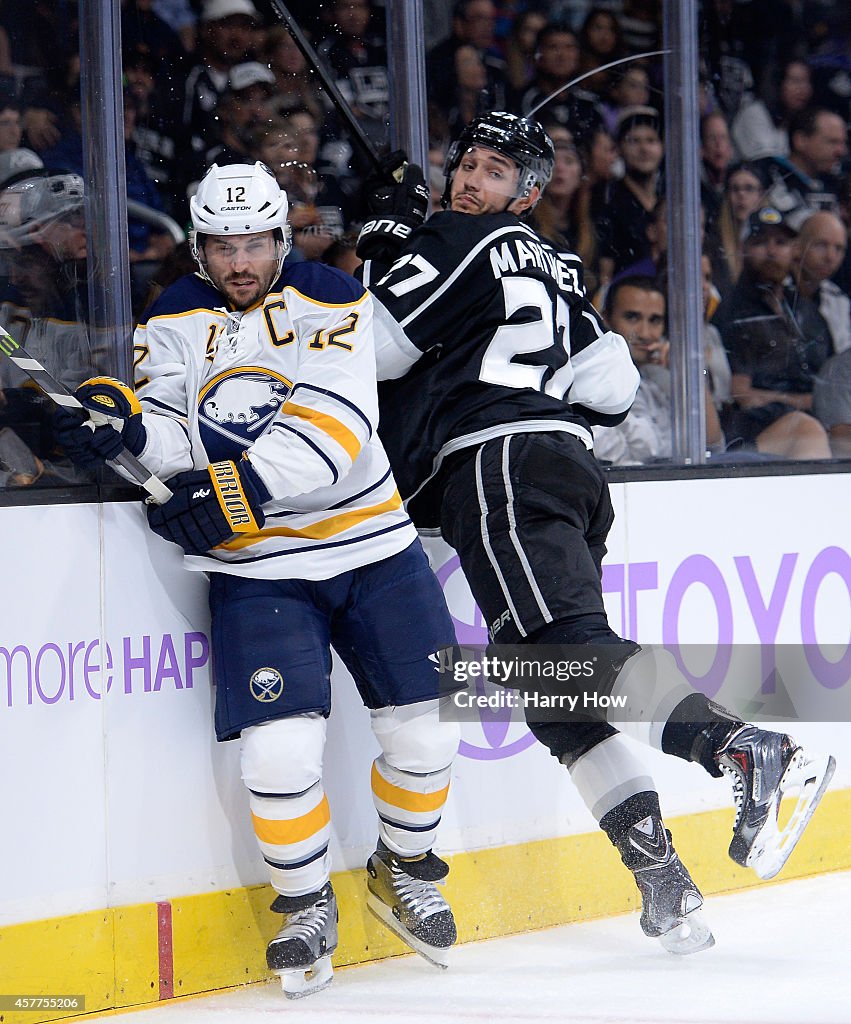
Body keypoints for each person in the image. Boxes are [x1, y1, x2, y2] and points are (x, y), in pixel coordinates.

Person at [357, 111, 835, 944]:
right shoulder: (558, 268)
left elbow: (371, 349)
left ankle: (742, 748)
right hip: (569, 470)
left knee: (566, 654)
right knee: (558, 685)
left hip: (497, 465)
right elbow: (610, 389)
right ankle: (663, 878)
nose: (471, 179)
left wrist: (387, 244)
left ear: (529, 192)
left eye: (495, 172)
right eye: (465, 164)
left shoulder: (455, 238)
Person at [51, 161, 461, 997]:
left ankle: (403, 864)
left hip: (373, 548)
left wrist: (227, 491)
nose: (241, 262)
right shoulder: (171, 314)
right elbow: (173, 435)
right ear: (200, 246)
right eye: (222, 246)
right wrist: (126, 425)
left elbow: (338, 425)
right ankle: (305, 904)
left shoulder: (334, 296)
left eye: (256, 243)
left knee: (427, 736)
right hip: (259, 570)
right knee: (277, 754)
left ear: (283, 235)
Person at [712, 206, 833, 459]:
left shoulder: (805, 308)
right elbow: (741, 394)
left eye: (781, 242)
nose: (772, 251)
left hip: (819, 422)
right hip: (757, 433)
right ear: (744, 248)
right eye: (760, 242)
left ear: (796, 250)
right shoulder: (735, 312)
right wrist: (803, 402)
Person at [591, 275, 724, 465]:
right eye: (632, 317)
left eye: (654, 321)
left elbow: (712, 448)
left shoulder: (653, 388)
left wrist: (692, 375)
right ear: (606, 320)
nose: (645, 333)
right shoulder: (589, 386)